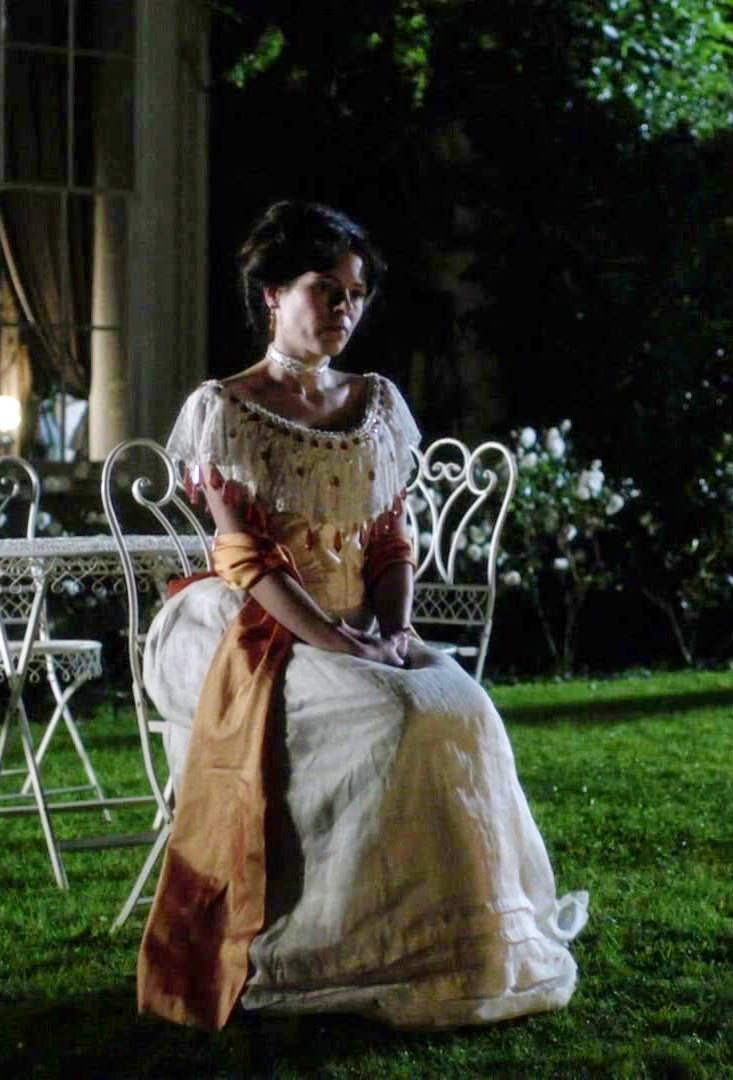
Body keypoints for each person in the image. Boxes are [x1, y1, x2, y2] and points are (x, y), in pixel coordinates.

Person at [136, 200, 588, 1031]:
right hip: (265, 625)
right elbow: (244, 556)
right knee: (394, 716)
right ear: (273, 293)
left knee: (463, 707)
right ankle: (341, 947)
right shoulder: (226, 407)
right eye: (326, 289)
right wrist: (338, 640)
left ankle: (461, 943)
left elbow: (389, 540)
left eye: (355, 294)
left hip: (365, 623)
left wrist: (393, 629)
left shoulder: (374, 401)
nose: (345, 308)